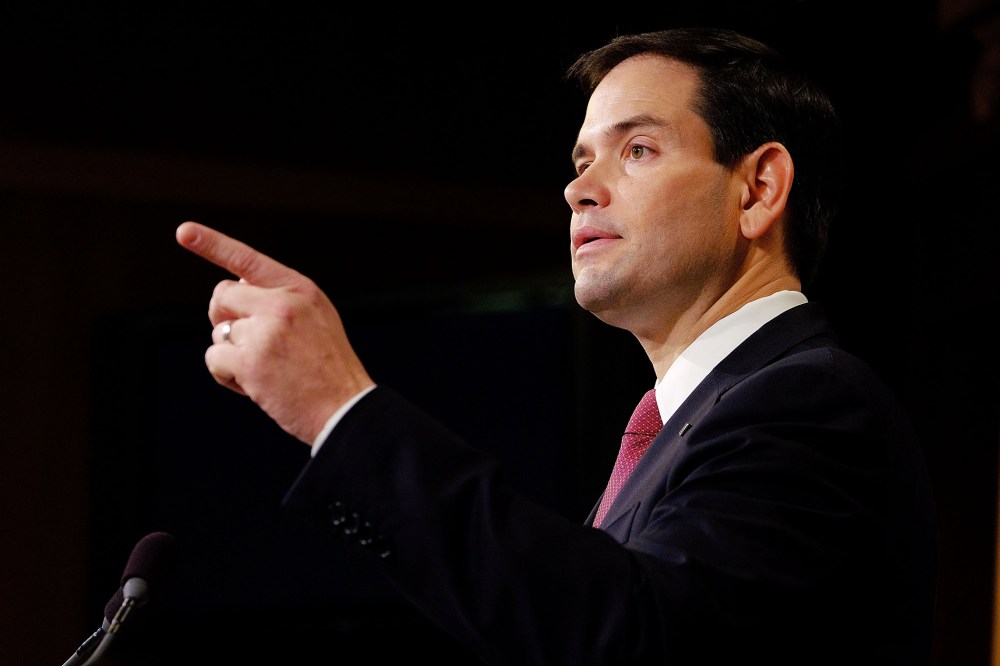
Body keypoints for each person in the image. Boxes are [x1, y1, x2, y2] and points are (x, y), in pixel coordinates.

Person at [175, 27, 938, 665]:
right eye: (581, 162)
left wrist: (342, 410)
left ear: (758, 189)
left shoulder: (809, 402)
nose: (580, 189)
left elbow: (627, 638)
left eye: (637, 149)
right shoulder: (689, 425)